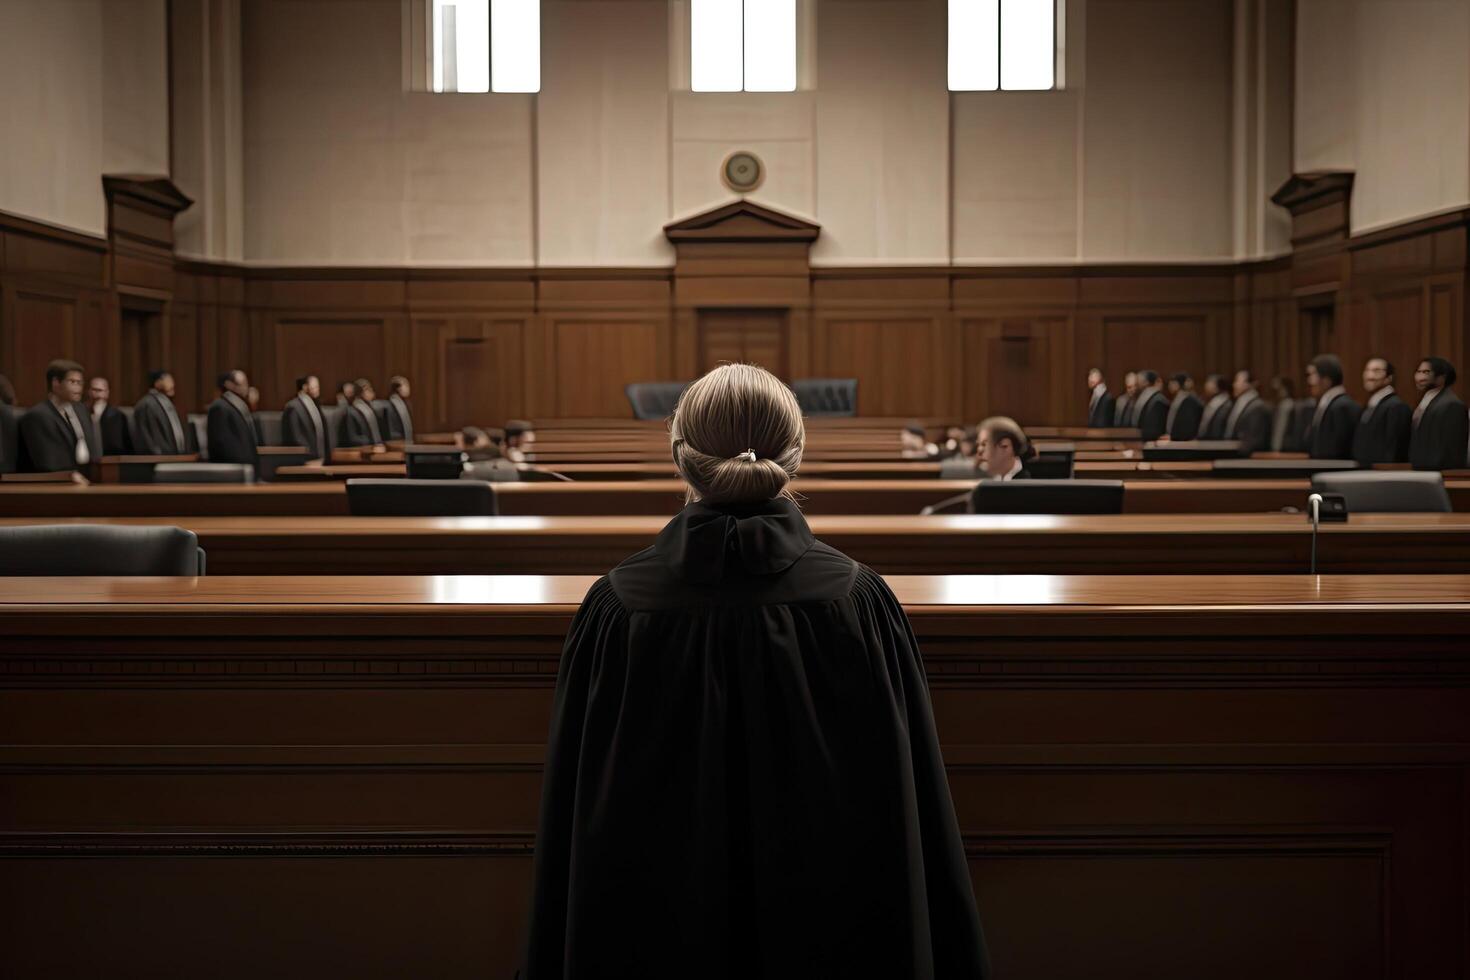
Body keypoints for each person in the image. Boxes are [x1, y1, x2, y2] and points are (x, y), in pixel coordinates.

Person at [523, 363, 989, 978]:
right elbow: (911, 803)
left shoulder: (616, 608)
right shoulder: (859, 600)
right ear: (795, 455)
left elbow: (576, 821)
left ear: (679, 455)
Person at [18, 359, 97, 482]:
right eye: (73, 382)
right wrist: (69, 477)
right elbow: (47, 462)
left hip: (88, 479)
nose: (78, 387)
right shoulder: (38, 416)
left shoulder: (81, 410)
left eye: (80, 383)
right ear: (56, 383)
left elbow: (92, 451)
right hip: (57, 485)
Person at [1409, 357, 1469, 471]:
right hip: (1421, 470)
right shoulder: (1425, 400)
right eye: (1418, 372)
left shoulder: (1452, 404)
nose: (1420, 377)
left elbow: (1452, 449)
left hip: (1440, 473)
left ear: (1442, 377)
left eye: (1426, 372)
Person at [1351, 357, 1412, 466]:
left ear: (1389, 378)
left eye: (1376, 371)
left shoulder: (1396, 407)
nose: (1369, 376)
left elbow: (1394, 450)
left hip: (1382, 477)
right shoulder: (1370, 405)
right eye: (1367, 370)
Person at [1303, 354, 1359, 459]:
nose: (1309, 381)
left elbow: (1338, 449)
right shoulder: (1327, 404)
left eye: (1312, 375)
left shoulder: (1342, 407)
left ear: (1326, 379)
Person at [206, 369, 259, 467]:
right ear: (229, 385)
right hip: (232, 470)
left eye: (246, 384)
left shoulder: (241, 406)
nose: (246, 388)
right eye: (241, 384)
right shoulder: (219, 407)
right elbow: (222, 445)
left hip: (247, 468)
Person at [133, 370, 189, 455]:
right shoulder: (147, 404)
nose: (172, 384)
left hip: (175, 457)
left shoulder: (166, 402)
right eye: (169, 381)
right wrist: (157, 454)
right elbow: (145, 436)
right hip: (158, 459)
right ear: (157, 383)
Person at [1222, 369, 1272, 455]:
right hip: (1233, 452)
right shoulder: (1240, 402)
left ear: (1249, 384)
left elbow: (1254, 438)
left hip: (1246, 456)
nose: (1234, 385)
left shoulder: (1257, 406)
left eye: (1237, 381)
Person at [282, 374, 330, 462]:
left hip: (319, 456)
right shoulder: (293, 406)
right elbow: (295, 435)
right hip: (303, 458)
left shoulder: (315, 404)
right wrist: (308, 451)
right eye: (315, 386)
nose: (318, 389)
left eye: (318, 386)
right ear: (304, 387)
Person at [977, 415, 1035, 480]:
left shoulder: (1029, 485)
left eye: (984, 444)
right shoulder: (984, 480)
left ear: (1005, 446)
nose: (979, 450)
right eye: (978, 444)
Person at [86, 376, 132, 455]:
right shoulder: (82, 413)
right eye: (94, 390)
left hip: (111, 459)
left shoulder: (118, 416)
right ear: (89, 391)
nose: (97, 394)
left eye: (100, 390)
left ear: (107, 393)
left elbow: (125, 444)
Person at [340, 378, 385, 450]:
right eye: (368, 390)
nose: (372, 392)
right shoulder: (351, 412)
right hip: (361, 451)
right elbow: (352, 438)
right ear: (360, 392)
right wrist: (372, 444)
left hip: (375, 449)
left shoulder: (370, 410)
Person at [1268, 375, 1305, 452]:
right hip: (1278, 446)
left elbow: (1282, 430)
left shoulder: (1289, 405)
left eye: (1280, 389)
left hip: (1286, 448)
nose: (1278, 393)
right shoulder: (1280, 405)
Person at [1130, 370, 1168, 441]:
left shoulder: (1158, 400)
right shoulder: (1145, 397)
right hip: (1143, 440)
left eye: (1138, 381)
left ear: (1146, 382)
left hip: (1152, 443)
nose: (1136, 384)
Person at [1163, 372, 1202, 441]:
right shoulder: (1177, 398)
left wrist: (1173, 436)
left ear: (1179, 384)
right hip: (1174, 438)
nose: (1169, 386)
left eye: (1172, 383)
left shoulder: (1189, 400)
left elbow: (1187, 425)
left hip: (1184, 441)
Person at [376, 375, 414, 443]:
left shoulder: (404, 404)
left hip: (405, 441)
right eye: (406, 385)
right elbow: (390, 429)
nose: (409, 388)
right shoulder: (389, 406)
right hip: (395, 442)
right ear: (398, 388)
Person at [1196, 374, 1233, 440]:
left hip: (1216, 442)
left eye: (1209, 383)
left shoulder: (1226, 404)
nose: (1206, 386)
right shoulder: (1212, 401)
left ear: (1217, 386)